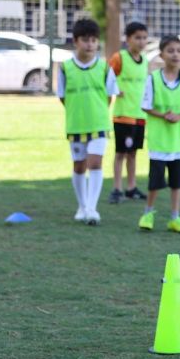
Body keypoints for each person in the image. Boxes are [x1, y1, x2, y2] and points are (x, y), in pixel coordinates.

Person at [138, 36, 180, 233]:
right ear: (161, 55)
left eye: (178, 50)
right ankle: (148, 213)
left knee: (177, 183)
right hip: (159, 142)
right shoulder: (153, 79)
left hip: (179, 142)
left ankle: (175, 217)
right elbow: (146, 105)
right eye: (170, 51)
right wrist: (164, 115)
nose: (175, 54)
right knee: (155, 183)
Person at [57, 19, 119, 226]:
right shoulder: (65, 68)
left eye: (93, 40)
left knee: (95, 162)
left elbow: (110, 95)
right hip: (75, 125)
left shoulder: (104, 67)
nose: (90, 44)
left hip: (99, 124)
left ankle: (92, 208)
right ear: (75, 41)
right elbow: (63, 96)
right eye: (85, 40)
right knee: (79, 166)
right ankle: (82, 206)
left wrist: (98, 111)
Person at [108, 22, 150, 204]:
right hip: (123, 114)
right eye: (137, 38)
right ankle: (117, 188)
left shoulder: (145, 60)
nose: (141, 42)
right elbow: (107, 77)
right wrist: (115, 90)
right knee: (121, 153)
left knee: (133, 152)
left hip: (140, 115)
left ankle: (131, 187)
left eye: (144, 38)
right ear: (128, 39)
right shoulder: (120, 58)